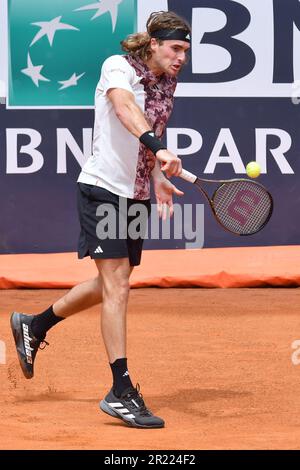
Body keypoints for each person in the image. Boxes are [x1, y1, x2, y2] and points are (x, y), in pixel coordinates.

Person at [10, 10, 191, 429]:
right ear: (153, 44)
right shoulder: (118, 67)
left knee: (110, 281)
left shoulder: (167, 82)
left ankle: (34, 325)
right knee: (118, 284)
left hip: (136, 194)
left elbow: (150, 129)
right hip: (103, 189)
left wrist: (159, 176)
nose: (181, 57)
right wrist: (157, 147)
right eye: (175, 48)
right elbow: (126, 110)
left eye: (185, 50)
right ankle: (120, 390)